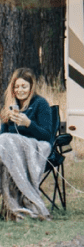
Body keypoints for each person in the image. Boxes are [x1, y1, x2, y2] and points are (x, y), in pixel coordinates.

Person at [0, 68, 54, 220]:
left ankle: (23, 204)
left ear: (31, 87)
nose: (20, 90)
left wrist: (29, 123)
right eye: (16, 87)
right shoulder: (11, 105)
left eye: (23, 86)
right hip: (11, 150)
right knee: (4, 143)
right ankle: (9, 204)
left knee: (6, 142)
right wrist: (6, 119)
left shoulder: (40, 104)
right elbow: (2, 135)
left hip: (34, 147)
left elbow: (46, 135)